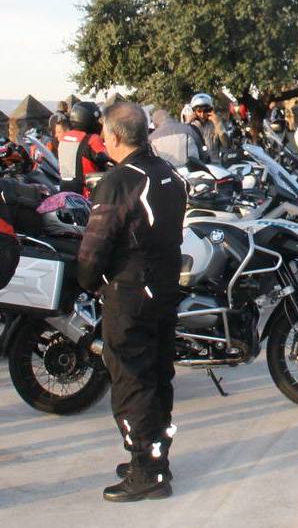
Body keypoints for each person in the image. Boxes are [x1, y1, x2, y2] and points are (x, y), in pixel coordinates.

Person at [77, 102, 186, 501]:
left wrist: (86, 281)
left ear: (117, 137)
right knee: (157, 378)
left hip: (130, 296)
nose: (102, 140)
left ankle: (148, 472)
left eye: (105, 133)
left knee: (132, 384)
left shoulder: (120, 181)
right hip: (163, 290)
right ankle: (155, 456)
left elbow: (96, 245)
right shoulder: (169, 174)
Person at [58, 101, 110, 197]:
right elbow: (108, 156)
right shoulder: (92, 139)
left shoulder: (64, 138)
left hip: (64, 191)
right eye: (97, 120)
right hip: (86, 193)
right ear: (88, 119)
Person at [187, 93, 230, 163]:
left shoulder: (215, 124)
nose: (202, 115)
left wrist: (218, 123)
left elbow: (227, 144)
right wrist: (187, 123)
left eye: (205, 111)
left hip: (215, 165)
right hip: (198, 166)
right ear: (194, 112)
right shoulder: (191, 126)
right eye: (199, 111)